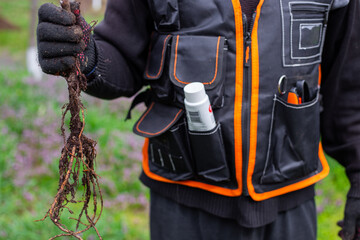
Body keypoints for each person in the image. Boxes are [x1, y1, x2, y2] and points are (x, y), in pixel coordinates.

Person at [37, 0, 360, 239]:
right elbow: (122, 56)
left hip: (291, 203)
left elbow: (349, 87)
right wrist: (86, 57)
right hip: (182, 204)